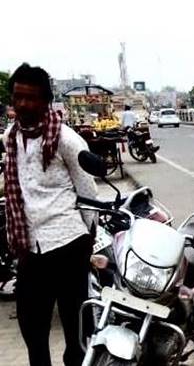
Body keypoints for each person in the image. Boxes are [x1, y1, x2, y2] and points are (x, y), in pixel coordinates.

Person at [2, 63, 98, 366]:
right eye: (18, 97)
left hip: (68, 244)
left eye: (30, 98)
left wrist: (83, 238)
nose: (23, 104)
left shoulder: (66, 139)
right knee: (33, 330)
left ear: (45, 101)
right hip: (30, 250)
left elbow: (88, 191)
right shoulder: (10, 137)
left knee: (76, 333)